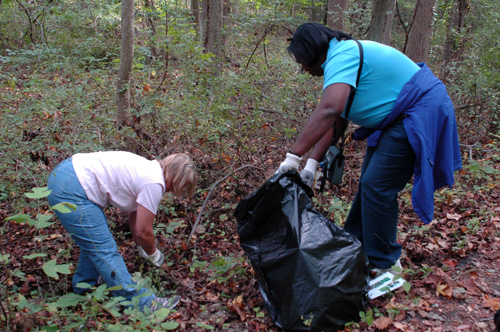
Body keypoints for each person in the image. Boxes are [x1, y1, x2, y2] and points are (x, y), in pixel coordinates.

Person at [277, 23, 461, 278]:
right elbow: (335, 120)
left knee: (378, 186)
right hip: (396, 118)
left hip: (416, 110)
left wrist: (292, 157)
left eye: (302, 62)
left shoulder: (342, 55)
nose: (303, 69)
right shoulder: (339, 60)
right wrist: (312, 164)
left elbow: (330, 108)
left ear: (310, 52)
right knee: (370, 184)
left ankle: (386, 264)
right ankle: (357, 246)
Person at [47, 151, 197, 312]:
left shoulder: (147, 168)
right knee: (105, 249)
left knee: (92, 240)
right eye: (182, 184)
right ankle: (144, 304)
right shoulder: (154, 183)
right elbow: (143, 231)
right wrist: (153, 253)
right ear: (175, 176)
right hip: (73, 188)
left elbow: (136, 216)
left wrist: (141, 247)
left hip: (65, 173)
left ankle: (85, 288)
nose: (176, 190)